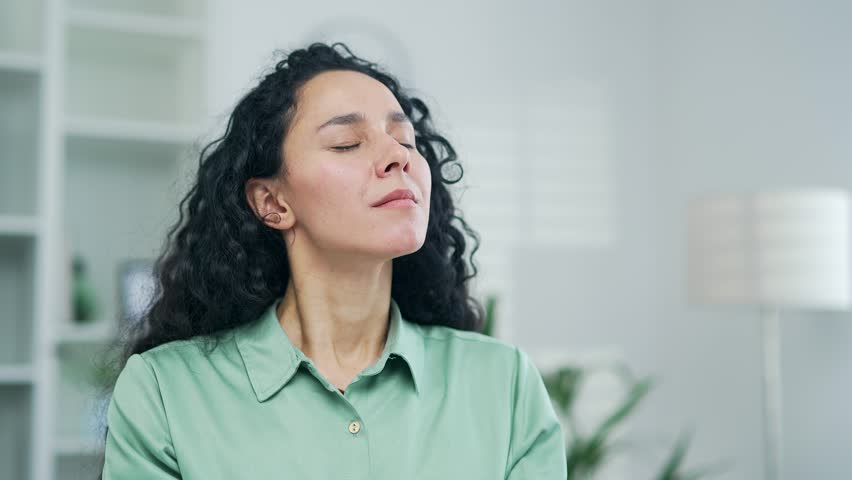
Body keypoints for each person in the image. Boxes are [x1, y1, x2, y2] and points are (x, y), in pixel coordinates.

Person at [97, 41, 567, 479]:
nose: (396, 157)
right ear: (272, 202)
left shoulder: (504, 385)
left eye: (406, 141)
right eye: (346, 143)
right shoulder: (163, 392)